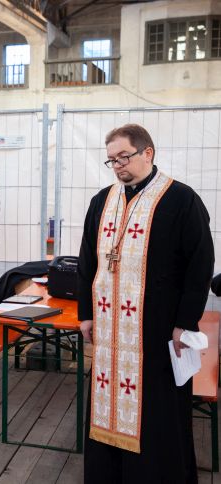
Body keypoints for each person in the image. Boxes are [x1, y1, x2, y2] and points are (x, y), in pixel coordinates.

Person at [78, 123, 214, 483]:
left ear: (148, 153)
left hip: (157, 330)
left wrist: (185, 321)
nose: (117, 165)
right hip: (109, 332)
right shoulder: (101, 201)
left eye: (123, 157)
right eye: (111, 160)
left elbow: (200, 265)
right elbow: (87, 263)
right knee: (105, 406)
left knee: (158, 412)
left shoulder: (181, 199)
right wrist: (86, 315)